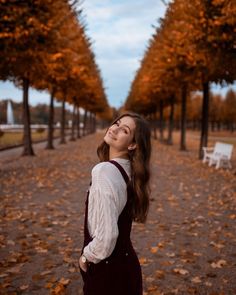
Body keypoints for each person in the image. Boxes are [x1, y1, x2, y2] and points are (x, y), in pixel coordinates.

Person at [79, 112, 151, 295]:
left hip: (108, 273)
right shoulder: (130, 172)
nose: (115, 129)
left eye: (124, 130)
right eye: (116, 123)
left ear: (133, 144)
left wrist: (86, 257)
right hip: (127, 269)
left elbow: (107, 237)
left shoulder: (104, 171)